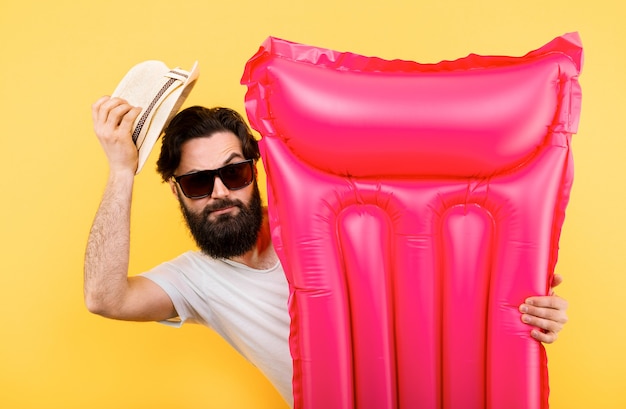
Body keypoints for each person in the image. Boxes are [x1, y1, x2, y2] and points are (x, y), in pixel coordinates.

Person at [85, 96, 570, 408]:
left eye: (234, 173)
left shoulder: (333, 226)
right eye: (197, 181)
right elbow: (105, 298)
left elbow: (432, 284)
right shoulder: (195, 280)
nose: (220, 192)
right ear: (177, 192)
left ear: (256, 172)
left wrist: (517, 304)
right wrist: (120, 170)